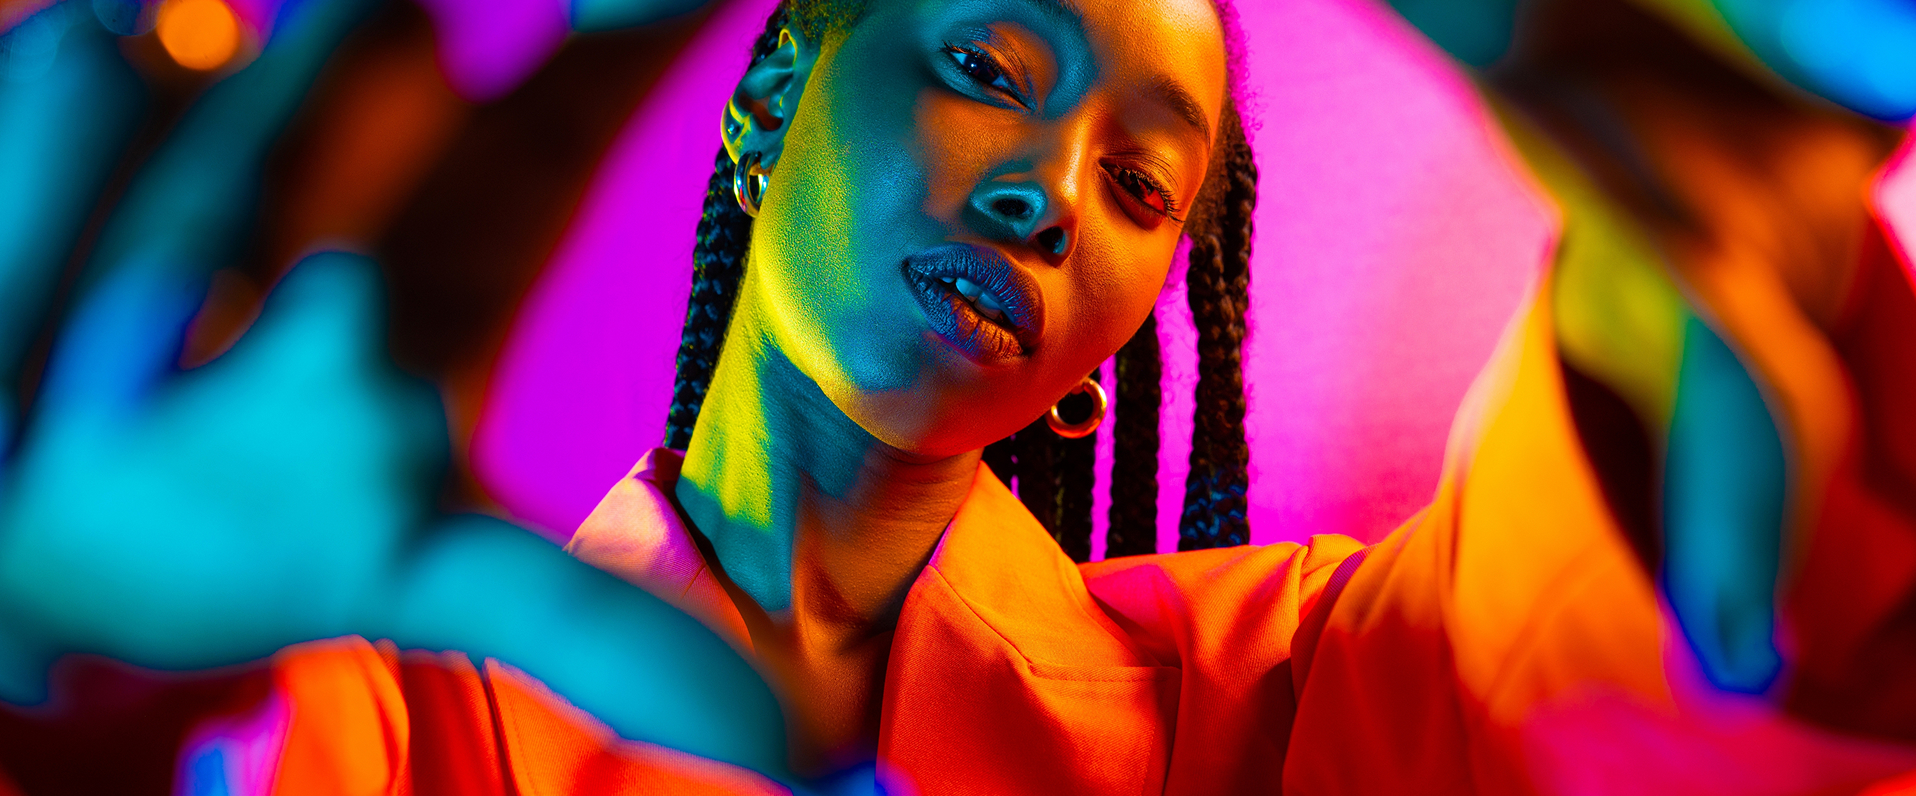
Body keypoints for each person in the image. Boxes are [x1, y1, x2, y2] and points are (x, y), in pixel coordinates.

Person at [3, 0, 1914, 793]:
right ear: (768, 105)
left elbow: (1575, 684)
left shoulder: (1263, 697)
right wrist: (57, 658)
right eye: (991, 66)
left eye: (1144, 183)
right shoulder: (386, 706)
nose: (1049, 190)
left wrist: (1725, 307)